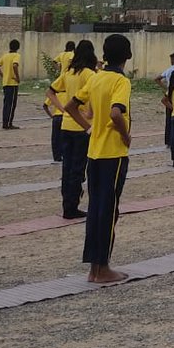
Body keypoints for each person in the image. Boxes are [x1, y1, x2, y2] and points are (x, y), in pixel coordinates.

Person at [65, 34, 133, 283]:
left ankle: (93, 268)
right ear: (128, 56)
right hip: (113, 154)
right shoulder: (120, 81)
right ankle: (102, 268)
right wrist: (126, 136)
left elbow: (71, 106)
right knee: (109, 211)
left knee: (96, 209)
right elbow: (117, 113)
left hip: (94, 153)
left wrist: (88, 127)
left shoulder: (96, 78)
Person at [46, 40, 98, 219]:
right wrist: (90, 114)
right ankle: (72, 207)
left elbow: (50, 91)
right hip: (82, 126)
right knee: (78, 168)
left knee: (67, 167)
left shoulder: (69, 72)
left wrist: (61, 109)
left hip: (65, 125)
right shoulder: (89, 74)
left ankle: (66, 204)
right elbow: (92, 97)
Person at [48, 40, 77, 162]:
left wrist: (58, 68)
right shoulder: (72, 55)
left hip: (61, 76)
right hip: (69, 76)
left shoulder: (61, 54)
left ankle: (58, 154)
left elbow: (54, 62)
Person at [154, 52, 174, 146]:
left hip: (169, 94)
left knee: (169, 118)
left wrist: (165, 88)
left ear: (172, 60)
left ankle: (168, 141)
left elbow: (157, 79)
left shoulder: (168, 70)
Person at [0, 38, 22, 129]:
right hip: (12, 83)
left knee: (6, 104)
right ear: (18, 47)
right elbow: (15, 65)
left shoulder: (5, 56)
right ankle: (8, 123)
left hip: (5, 83)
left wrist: (3, 75)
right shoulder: (16, 55)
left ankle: (5, 122)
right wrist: (17, 77)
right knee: (11, 104)